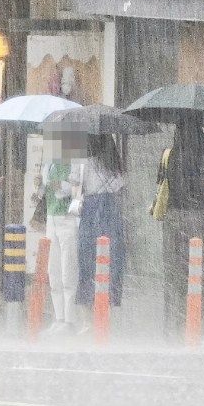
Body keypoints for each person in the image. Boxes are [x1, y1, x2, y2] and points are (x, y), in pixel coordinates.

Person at [162, 115, 204, 342]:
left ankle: (171, 329)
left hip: (174, 217)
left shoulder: (170, 155)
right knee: (198, 274)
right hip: (200, 219)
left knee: (174, 275)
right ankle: (194, 326)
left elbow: (163, 184)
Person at [75, 135, 125, 334]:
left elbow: (73, 183)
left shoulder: (83, 161)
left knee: (87, 265)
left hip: (90, 212)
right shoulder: (114, 164)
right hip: (111, 214)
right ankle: (105, 317)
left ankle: (88, 321)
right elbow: (120, 187)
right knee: (110, 264)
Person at [36, 160, 82, 336]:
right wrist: (39, 187)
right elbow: (43, 193)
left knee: (67, 270)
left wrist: (62, 185)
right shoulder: (50, 164)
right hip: (51, 218)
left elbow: (79, 191)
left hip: (68, 218)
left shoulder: (75, 163)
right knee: (53, 270)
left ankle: (70, 320)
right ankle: (59, 317)